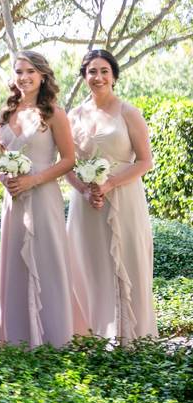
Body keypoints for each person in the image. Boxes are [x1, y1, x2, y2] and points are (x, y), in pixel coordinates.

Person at [66, 49, 157, 343]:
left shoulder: (128, 112)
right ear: (84, 77)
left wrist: (109, 184)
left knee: (127, 261)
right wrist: (84, 190)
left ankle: (132, 336)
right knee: (89, 264)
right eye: (92, 71)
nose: (98, 77)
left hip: (124, 199)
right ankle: (93, 333)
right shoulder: (74, 116)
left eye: (104, 71)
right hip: (86, 204)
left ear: (114, 76)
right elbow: (67, 163)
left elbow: (145, 161)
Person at [0, 50, 81, 347]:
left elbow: (69, 159)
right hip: (14, 200)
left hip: (44, 197)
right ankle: (18, 335)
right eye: (19, 72)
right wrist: (4, 178)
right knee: (15, 261)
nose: (24, 77)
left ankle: (54, 336)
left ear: (43, 75)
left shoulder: (54, 113)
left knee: (48, 260)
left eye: (30, 71)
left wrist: (33, 179)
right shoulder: (7, 113)